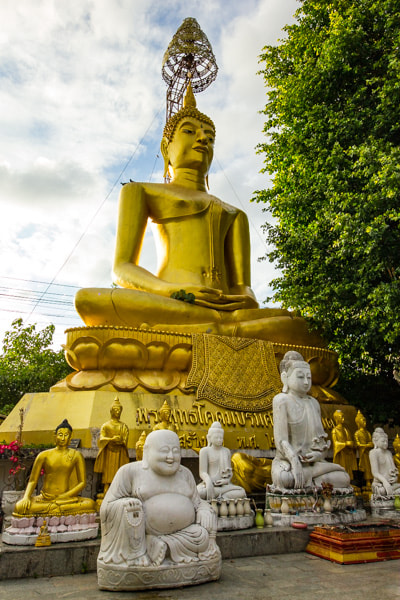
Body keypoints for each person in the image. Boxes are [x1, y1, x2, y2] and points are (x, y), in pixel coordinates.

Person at [74, 84, 325, 349]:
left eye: (210, 136)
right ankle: (226, 335)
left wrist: (247, 299)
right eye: (190, 132)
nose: (203, 139)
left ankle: (204, 333)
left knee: (306, 326)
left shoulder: (234, 213)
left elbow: (243, 288)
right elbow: (122, 268)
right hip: (171, 301)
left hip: (225, 311)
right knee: (89, 300)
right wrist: (173, 291)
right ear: (165, 148)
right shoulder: (140, 191)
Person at [97, 430, 219, 568]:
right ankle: (141, 549)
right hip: (138, 534)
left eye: (175, 451)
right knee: (131, 510)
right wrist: (125, 504)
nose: (170, 457)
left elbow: (197, 502)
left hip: (184, 534)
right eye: (164, 451)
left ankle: (160, 544)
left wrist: (204, 509)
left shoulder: (185, 474)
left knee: (201, 536)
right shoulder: (130, 472)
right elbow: (107, 507)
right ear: (147, 451)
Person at [271, 351, 351, 490]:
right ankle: (314, 482)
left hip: (313, 464)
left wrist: (318, 454)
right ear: (285, 378)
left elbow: (320, 444)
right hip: (288, 463)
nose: (306, 382)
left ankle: (308, 479)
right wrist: (295, 462)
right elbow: (281, 441)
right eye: (300, 377)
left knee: (344, 478)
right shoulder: (281, 400)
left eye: (309, 377)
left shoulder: (313, 403)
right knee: (284, 478)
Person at [14, 419, 96, 517]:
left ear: (71, 437)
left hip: (66, 499)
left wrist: (64, 496)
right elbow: (32, 481)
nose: (63, 438)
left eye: (66, 435)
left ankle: (54, 508)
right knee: (19, 507)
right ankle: (55, 508)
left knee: (90, 504)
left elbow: (82, 482)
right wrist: (26, 497)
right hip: (45, 498)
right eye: (60, 434)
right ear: (55, 435)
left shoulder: (76, 455)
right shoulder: (44, 455)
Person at [197, 421, 246, 500]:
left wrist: (225, 481)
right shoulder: (205, 451)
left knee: (241, 491)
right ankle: (223, 499)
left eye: (221, 438)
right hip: (209, 486)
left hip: (224, 487)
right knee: (199, 493)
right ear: (209, 438)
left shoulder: (226, 451)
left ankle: (223, 498)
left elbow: (229, 473)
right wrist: (208, 482)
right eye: (216, 437)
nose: (219, 440)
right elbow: (202, 472)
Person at [94, 397, 130, 495]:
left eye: (119, 410)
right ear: (111, 411)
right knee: (108, 472)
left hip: (119, 451)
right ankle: (106, 487)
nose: (117, 412)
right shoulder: (106, 425)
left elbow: (125, 439)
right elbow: (101, 439)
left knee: (119, 472)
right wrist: (111, 439)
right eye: (115, 410)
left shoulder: (123, 426)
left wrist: (120, 441)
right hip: (109, 451)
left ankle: (119, 489)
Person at [369, 428, 400, 496]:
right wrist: (385, 482)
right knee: (382, 491)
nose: (385, 443)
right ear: (375, 441)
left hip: (392, 483)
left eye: (386, 441)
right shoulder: (373, 453)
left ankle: (392, 492)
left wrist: (395, 478)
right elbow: (375, 473)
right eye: (383, 441)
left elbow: (394, 469)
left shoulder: (389, 453)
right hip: (380, 484)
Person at [331, 409, 357, 479]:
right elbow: (335, 443)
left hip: (347, 453)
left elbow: (350, 440)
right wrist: (345, 444)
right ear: (336, 418)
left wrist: (351, 444)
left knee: (348, 468)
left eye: (343, 416)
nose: (343, 418)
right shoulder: (335, 430)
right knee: (341, 467)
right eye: (341, 417)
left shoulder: (346, 430)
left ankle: (349, 480)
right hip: (340, 452)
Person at [354, 410, 373, 487]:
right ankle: (367, 482)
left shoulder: (368, 433)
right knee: (365, 468)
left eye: (365, 420)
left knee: (371, 466)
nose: (364, 422)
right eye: (362, 420)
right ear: (358, 422)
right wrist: (365, 446)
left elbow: (371, 442)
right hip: (363, 453)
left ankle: (371, 480)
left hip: (368, 453)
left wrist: (369, 445)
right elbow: (358, 444)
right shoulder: (357, 433)